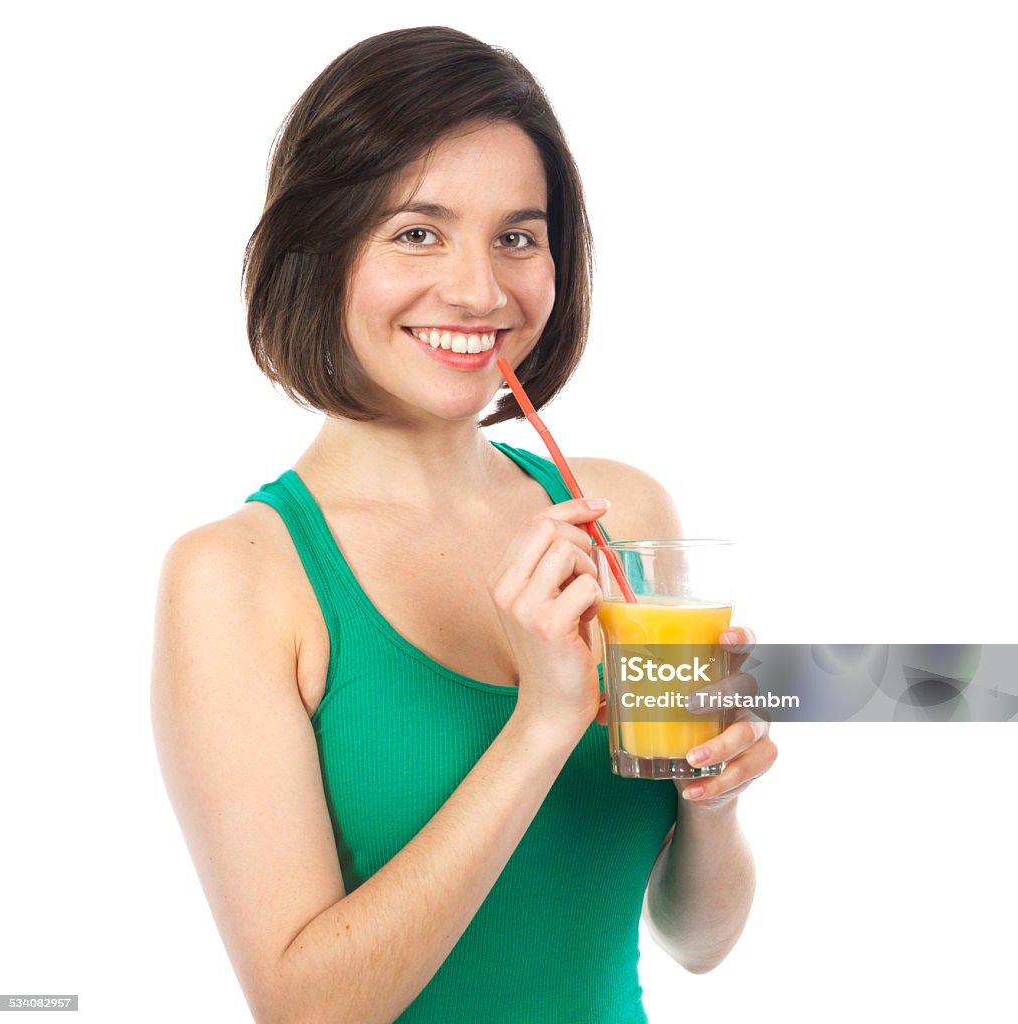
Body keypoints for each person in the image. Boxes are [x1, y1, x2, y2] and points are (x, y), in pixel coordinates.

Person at [151, 26, 777, 1024]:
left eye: (517, 237)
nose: (482, 291)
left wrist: (716, 797)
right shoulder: (237, 576)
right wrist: (541, 722)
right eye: (415, 232)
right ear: (315, 252)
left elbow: (698, 941)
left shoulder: (627, 518)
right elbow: (307, 1009)